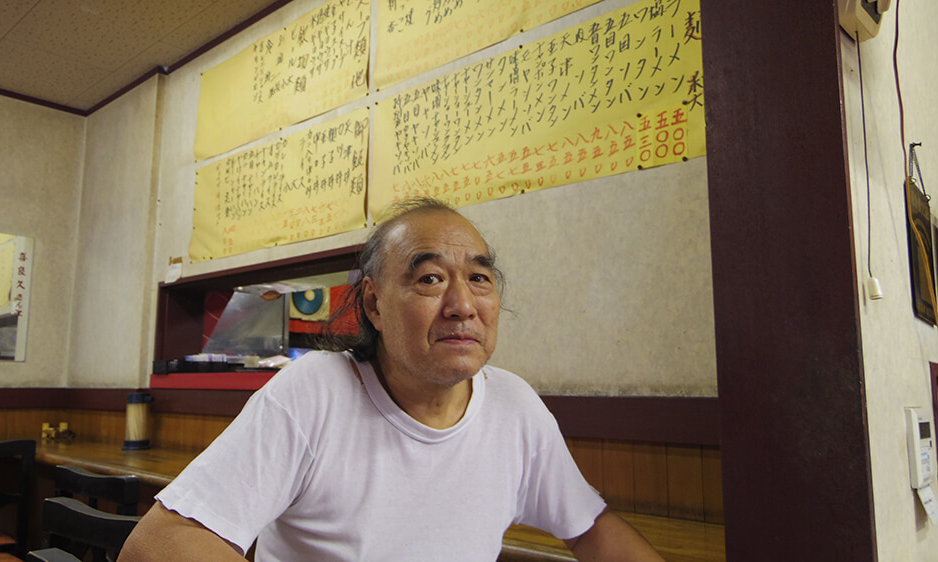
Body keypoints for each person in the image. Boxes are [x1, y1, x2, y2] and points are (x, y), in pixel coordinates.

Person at [119, 198, 663, 561]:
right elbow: (160, 543)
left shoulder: (514, 405)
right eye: (430, 279)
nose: (463, 304)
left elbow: (592, 528)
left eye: (479, 278)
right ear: (375, 304)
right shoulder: (315, 393)